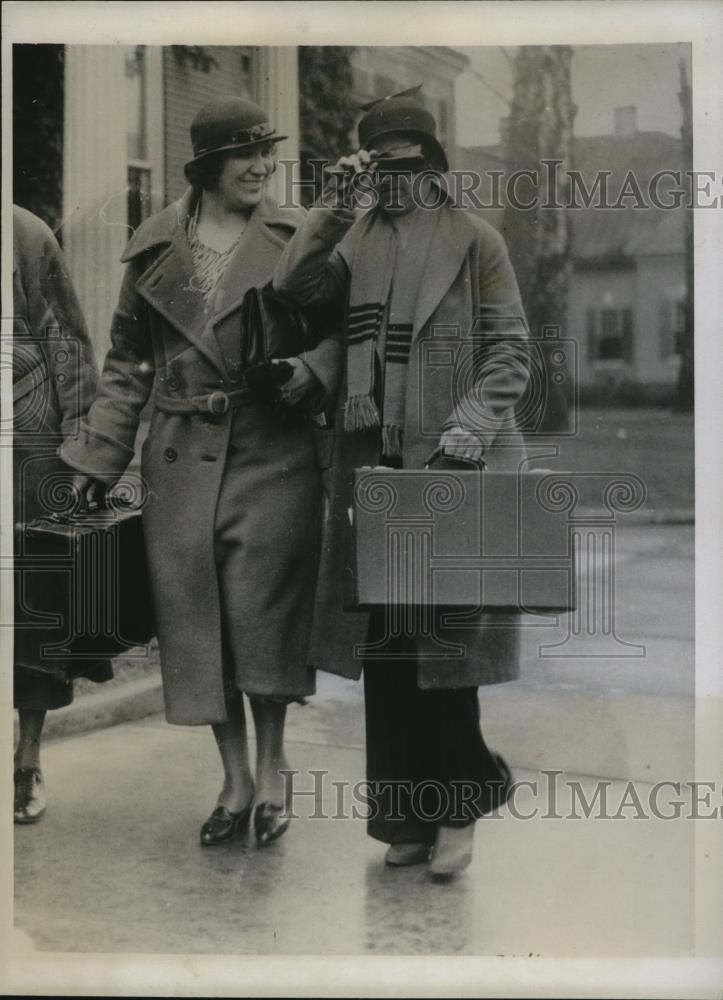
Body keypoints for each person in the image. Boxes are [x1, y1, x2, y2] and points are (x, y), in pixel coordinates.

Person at [62, 97, 342, 847]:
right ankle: (233, 780)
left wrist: (309, 372)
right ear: (207, 166)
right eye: (244, 155)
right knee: (197, 625)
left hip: (272, 453)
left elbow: (342, 334)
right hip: (180, 460)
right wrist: (99, 455)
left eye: (267, 152)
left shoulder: (297, 237)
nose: (261, 166)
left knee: (264, 618)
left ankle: (276, 770)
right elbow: (126, 366)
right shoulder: (154, 249)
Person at [273, 90, 531, 876]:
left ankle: (460, 807)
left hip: (457, 466)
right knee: (388, 654)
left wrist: (470, 425)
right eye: (380, 166)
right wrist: (329, 205)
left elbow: (510, 351)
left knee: (443, 653)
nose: (394, 179)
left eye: (407, 164)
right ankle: (407, 820)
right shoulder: (355, 241)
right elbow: (293, 291)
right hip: (374, 474)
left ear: (432, 165)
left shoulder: (475, 240)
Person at [11, 205, 110, 824]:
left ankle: (27, 758)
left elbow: (67, 344)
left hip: (24, 448)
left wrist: (81, 447)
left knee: (33, 611)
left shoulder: (24, 233)